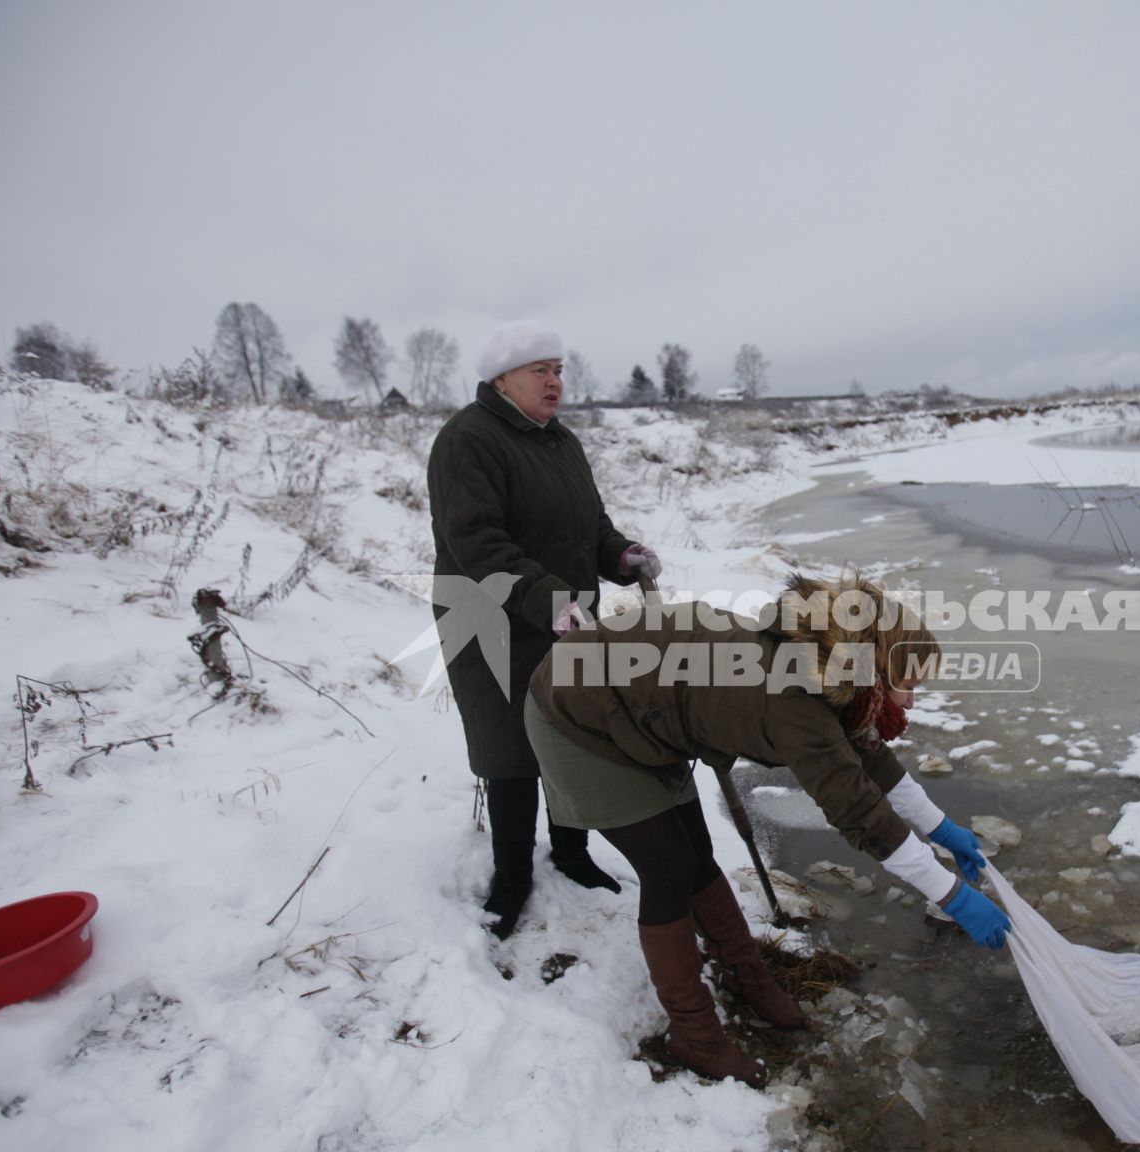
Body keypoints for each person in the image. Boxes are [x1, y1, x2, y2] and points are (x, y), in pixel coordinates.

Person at [524, 572, 1011, 1087]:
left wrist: (943, 829)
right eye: (908, 687)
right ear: (876, 670)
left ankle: (746, 976)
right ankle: (695, 1036)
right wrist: (952, 895)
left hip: (642, 711)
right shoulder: (797, 701)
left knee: (696, 853)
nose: (911, 702)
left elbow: (866, 754)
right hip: (579, 711)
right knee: (668, 870)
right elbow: (859, 811)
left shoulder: (833, 669)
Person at [427, 319, 664, 939]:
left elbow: (590, 526)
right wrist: (546, 598)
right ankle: (511, 878)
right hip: (490, 617)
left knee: (574, 735)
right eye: (541, 370)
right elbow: (476, 542)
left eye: (559, 370)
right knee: (511, 749)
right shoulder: (467, 441)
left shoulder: (561, 442)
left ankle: (571, 852)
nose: (555, 382)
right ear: (502, 379)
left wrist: (620, 556)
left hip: (562, 618)